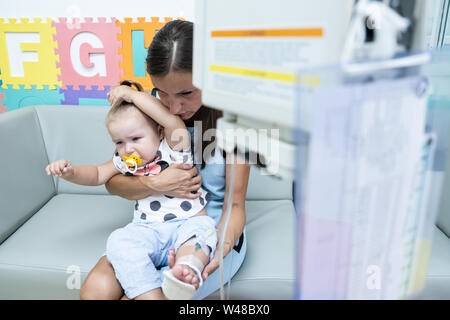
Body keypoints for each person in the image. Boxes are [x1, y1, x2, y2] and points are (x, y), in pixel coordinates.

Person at [80, 19, 250, 300]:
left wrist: (217, 250)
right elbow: (114, 182)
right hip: (153, 230)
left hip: (209, 233)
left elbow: (235, 205)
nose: (173, 107)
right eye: (162, 92)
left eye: (186, 93)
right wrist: (158, 182)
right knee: (94, 290)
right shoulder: (147, 108)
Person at [46, 80, 218, 300]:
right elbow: (98, 174)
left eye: (136, 139)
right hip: (148, 230)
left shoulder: (175, 147)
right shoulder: (126, 161)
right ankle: (147, 292)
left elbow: (170, 119)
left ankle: (185, 271)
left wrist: (131, 95)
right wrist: (70, 173)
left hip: (187, 222)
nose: (128, 149)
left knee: (201, 237)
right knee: (119, 241)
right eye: (119, 142)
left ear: (159, 132)